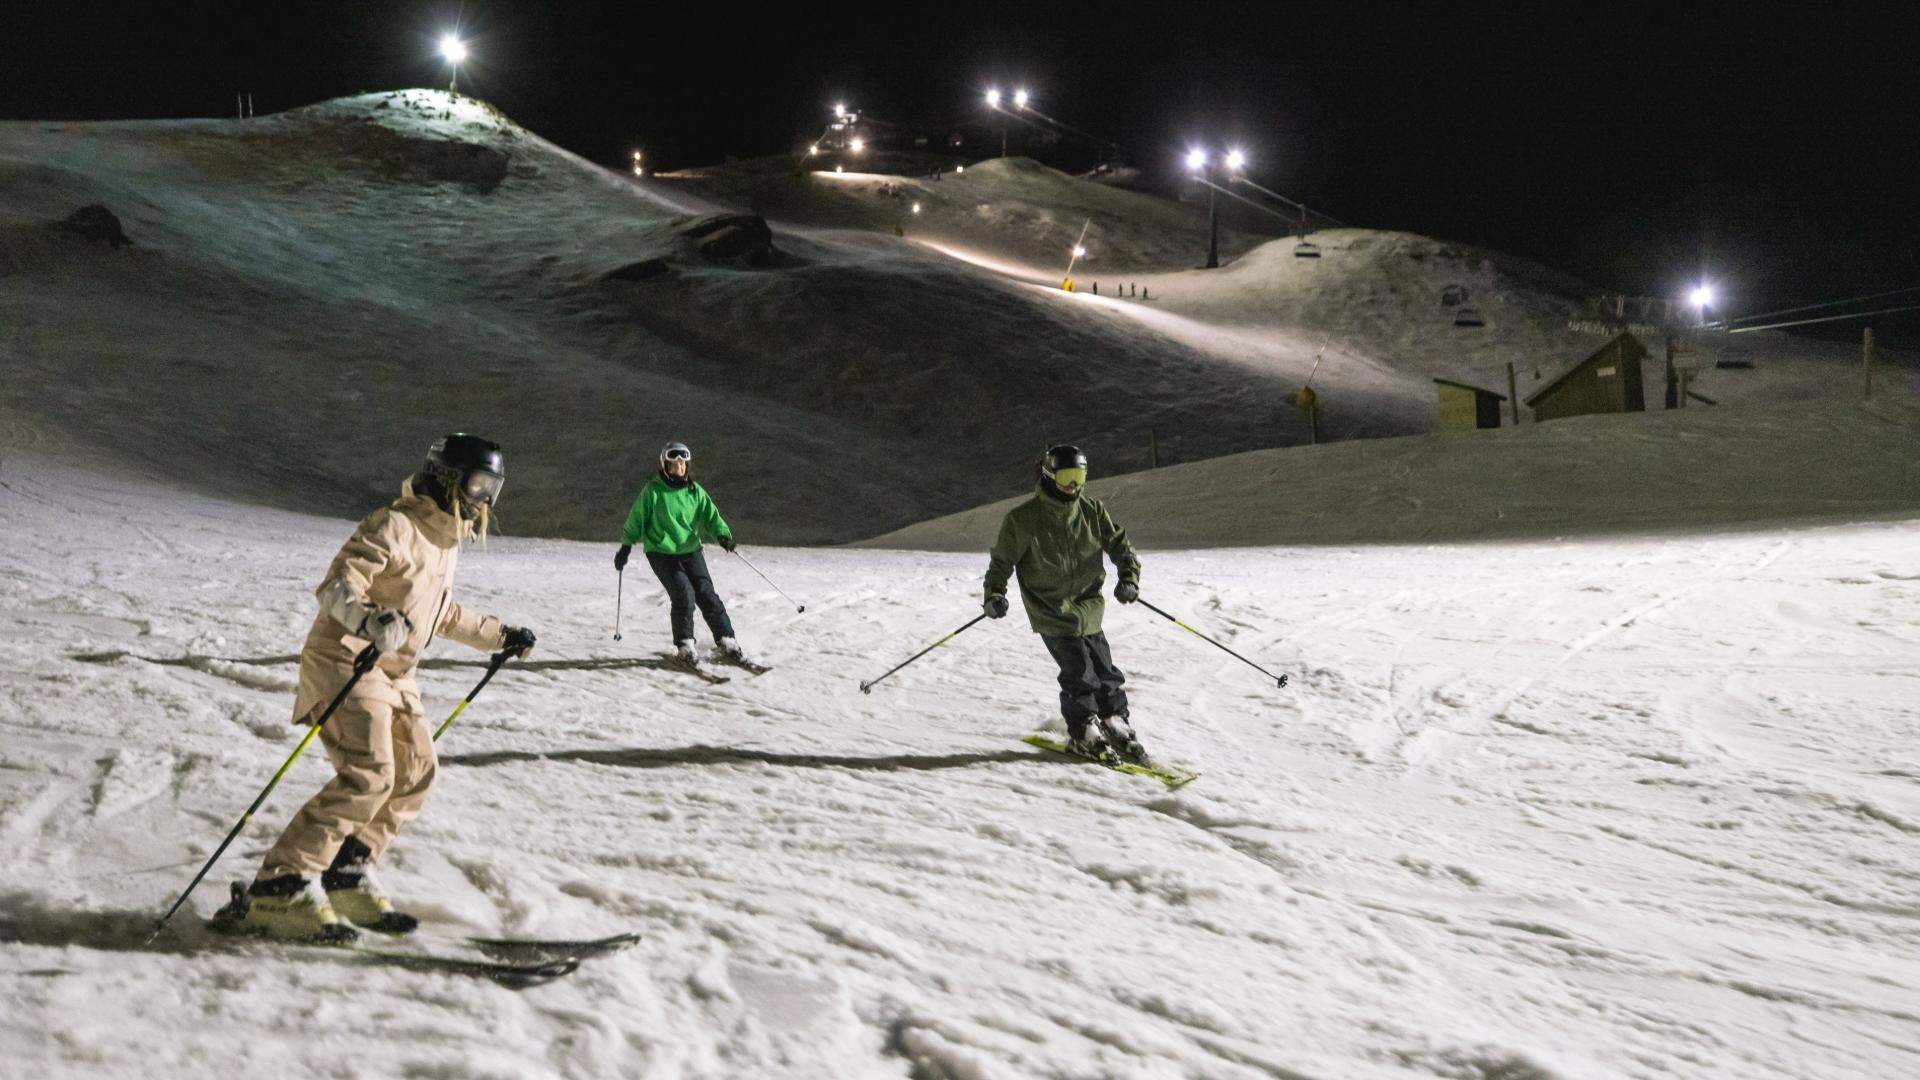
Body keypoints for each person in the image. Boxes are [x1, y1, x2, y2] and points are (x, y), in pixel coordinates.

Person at [239, 434, 536, 941]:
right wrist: (370, 619)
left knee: (418, 772)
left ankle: (347, 871)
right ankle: (280, 887)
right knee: (369, 774)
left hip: (397, 672)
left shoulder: (444, 541)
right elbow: (337, 587)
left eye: (493, 487)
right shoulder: (393, 524)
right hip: (347, 660)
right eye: (477, 483)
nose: (484, 497)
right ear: (447, 477)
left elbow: (438, 611)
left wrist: (497, 635)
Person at [983, 445, 1146, 762]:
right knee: (1079, 672)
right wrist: (994, 595)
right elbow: (1001, 563)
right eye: (1068, 477)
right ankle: (1083, 728)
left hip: (1088, 607)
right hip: (1051, 609)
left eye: (1080, 476)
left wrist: (1129, 578)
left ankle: (1113, 719)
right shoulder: (1023, 520)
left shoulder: (1091, 511)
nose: (1075, 485)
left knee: (1105, 669)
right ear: (1048, 476)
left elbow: (1120, 545)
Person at [613, 441, 748, 667]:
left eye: (683, 464)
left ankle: (726, 639)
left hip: (690, 550)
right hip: (661, 552)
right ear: (665, 466)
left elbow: (711, 517)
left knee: (706, 593)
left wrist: (723, 536)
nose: (680, 468)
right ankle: (685, 644)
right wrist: (626, 546)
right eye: (674, 464)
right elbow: (636, 519)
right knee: (684, 593)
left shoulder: (694, 491)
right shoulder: (653, 491)